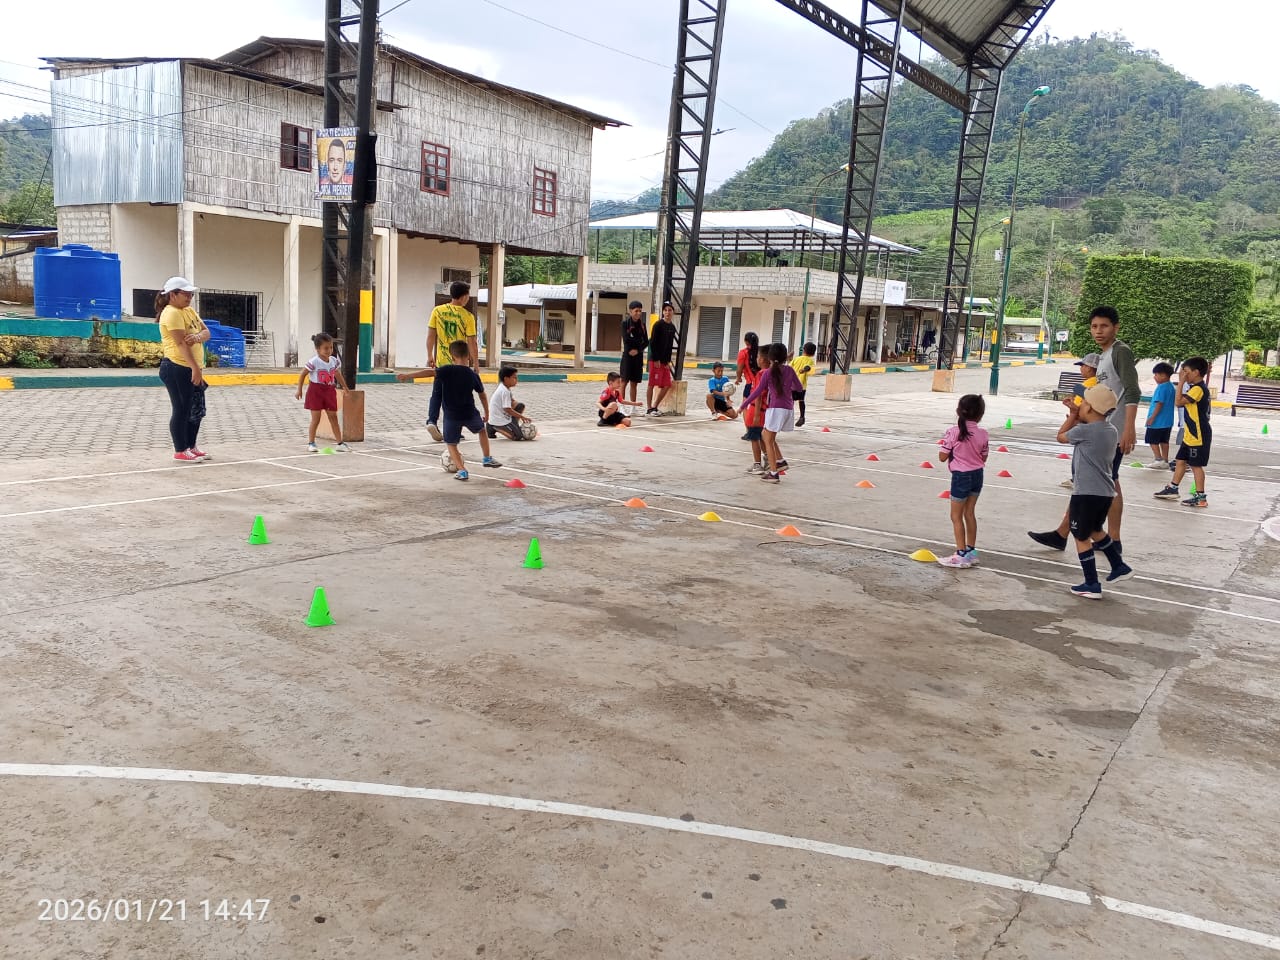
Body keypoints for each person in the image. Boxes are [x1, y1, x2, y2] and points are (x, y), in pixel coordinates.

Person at [1028, 306, 1139, 556]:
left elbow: (1132, 390)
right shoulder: (1105, 355)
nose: (1098, 331)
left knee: (1108, 483)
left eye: (1104, 326)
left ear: (1116, 327)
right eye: (1094, 326)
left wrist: (1129, 428)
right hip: (1099, 428)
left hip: (1113, 431)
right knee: (1089, 482)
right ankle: (1062, 533)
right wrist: (1079, 412)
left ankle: (1113, 539)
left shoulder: (1120, 352)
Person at [1057, 383, 1133, 598]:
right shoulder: (1111, 430)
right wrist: (1078, 414)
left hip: (1086, 493)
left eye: (1083, 403)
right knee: (1095, 530)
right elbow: (1091, 426)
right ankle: (1118, 566)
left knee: (1081, 536)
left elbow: (1061, 436)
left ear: (1089, 408)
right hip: (1105, 493)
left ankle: (1091, 583)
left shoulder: (1084, 431)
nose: (1080, 405)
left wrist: (1073, 416)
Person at [412, 340, 501, 480]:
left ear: (452, 357)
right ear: (469, 356)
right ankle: (486, 458)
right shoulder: (472, 374)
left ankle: (462, 471)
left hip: (452, 415)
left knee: (451, 444)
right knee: (482, 431)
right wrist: (487, 412)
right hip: (470, 412)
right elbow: (482, 395)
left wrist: (407, 376)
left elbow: (429, 372)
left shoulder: (447, 370)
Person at [155, 276, 212, 463]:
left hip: (192, 367)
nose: (189, 298)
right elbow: (181, 344)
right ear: (173, 295)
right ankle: (181, 449)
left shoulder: (189, 311)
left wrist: (196, 337)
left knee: (196, 409)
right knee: (182, 409)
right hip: (176, 367)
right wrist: (195, 368)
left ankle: (191, 445)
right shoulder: (171, 313)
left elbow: (206, 332)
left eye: (191, 294)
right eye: (185, 294)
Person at [937, 394, 989, 568]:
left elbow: (942, 457)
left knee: (955, 516)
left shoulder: (953, 432)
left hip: (961, 476)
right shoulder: (983, 434)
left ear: (958, 411)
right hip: (977, 474)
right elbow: (984, 457)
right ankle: (971, 552)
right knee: (969, 513)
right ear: (980, 414)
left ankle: (960, 554)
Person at [738, 343, 803, 483]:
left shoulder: (767, 373)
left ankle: (774, 473)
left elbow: (757, 392)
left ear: (770, 358)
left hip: (775, 409)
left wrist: (743, 405)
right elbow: (799, 387)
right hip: (788, 409)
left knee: (767, 440)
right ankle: (780, 461)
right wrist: (788, 386)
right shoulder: (789, 370)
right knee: (767, 436)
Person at [1153, 356, 1212, 508]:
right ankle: (1173, 488)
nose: (1183, 374)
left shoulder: (1198, 389)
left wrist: (1181, 383)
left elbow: (1178, 402)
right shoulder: (1194, 388)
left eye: (1186, 371)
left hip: (1198, 434)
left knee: (1196, 465)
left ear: (1196, 372)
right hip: (1190, 434)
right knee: (1180, 461)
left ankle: (1200, 497)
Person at [425, 280, 479, 441]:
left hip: (442, 361)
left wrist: (430, 355)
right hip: (460, 364)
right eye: (467, 295)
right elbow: (472, 342)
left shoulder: (438, 311)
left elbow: (431, 335)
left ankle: (432, 421)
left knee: (437, 394)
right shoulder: (468, 316)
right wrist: (476, 363)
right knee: (456, 398)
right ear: (463, 297)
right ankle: (454, 429)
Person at [295, 332, 352, 453]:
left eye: (331, 347)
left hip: (329, 391)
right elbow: (303, 374)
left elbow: (337, 374)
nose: (329, 350)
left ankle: (340, 443)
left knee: (333, 417)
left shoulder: (334, 361)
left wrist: (345, 387)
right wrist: (299, 389)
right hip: (316, 391)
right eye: (325, 348)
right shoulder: (314, 362)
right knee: (316, 419)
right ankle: (311, 443)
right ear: (318, 349)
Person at [1059, 353, 1100, 489]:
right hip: (1092, 422)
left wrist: (1073, 415)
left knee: (1080, 453)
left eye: (1082, 366)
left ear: (1089, 368)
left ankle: (1077, 478)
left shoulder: (1088, 384)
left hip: (1083, 422)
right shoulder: (1099, 383)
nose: (1081, 369)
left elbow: (1060, 437)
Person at [646, 301, 677, 416]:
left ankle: (655, 406)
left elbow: (669, 345)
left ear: (673, 312)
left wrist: (668, 361)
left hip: (665, 361)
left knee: (667, 384)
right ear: (663, 312)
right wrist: (656, 359)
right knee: (652, 383)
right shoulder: (658, 325)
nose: (667, 312)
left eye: (670, 310)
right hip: (655, 360)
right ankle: (649, 408)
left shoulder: (672, 327)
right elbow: (652, 342)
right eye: (665, 310)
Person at [487, 365, 533, 440]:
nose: (516, 380)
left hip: (499, 416)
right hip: (499, 420)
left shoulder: (504, 387)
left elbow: (512, 401)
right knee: (517, 436)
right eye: (514, 378)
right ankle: (495, 427)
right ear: (506, 379)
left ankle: (512, 425)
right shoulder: (504, 391)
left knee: (520, 405)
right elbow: (507, 409)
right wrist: (522, 417)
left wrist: (516, 409)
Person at [1144, 362, 1176, 469]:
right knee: (1164, 441)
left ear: (1163, 375)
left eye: (1156, 375)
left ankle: (1158, 459)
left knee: (1152, 440)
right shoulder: (1171, 387)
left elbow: (1159, 403)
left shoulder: (1161, 388)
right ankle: (1165, 460)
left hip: (1157, 421)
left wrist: (1152, 417)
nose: (1154, 377)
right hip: (1167, 421)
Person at [620, 301, 649, 405]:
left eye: (640, 311)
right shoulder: (625, 324)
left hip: (638, 356)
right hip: (628, 356)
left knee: (634, 383)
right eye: (636, 311)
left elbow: (646, 341)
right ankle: (622, 406)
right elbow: (626, 339)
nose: (638, 313)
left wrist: (638, 350)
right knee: (624, 381)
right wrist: (633, 347)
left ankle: (633, 406)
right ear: (630, 311)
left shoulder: (642, 325)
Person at [790, 341, 817, 427]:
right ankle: (802, 417)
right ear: (813, 353)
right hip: (801, 385)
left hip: (791, 384)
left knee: (790, 401)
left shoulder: (796, 359)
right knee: (801, 401)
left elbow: (789, 367)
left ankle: (789, 417)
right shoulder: (811, 361)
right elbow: (810, 370)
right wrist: (805, 369)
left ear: (803, 350)